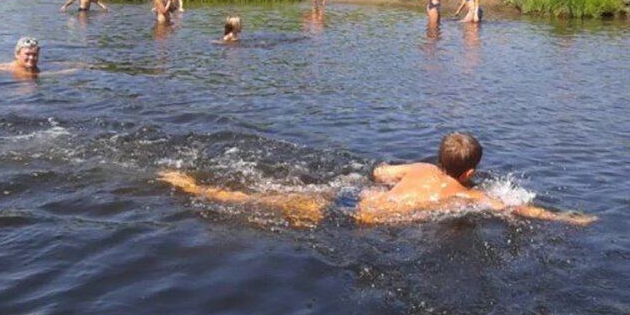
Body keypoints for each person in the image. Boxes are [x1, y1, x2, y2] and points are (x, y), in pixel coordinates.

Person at [159, 132, 597, 227]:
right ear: (470, 172)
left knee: (265, 197)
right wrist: (571, 219)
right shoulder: (471, 194)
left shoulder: (421, 169)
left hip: (351, 197)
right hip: (362, 221)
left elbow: (378, 172)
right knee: (261, 208)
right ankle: (194, 188)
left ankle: (191, 183)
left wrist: (386, 175)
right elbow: (519, 208)